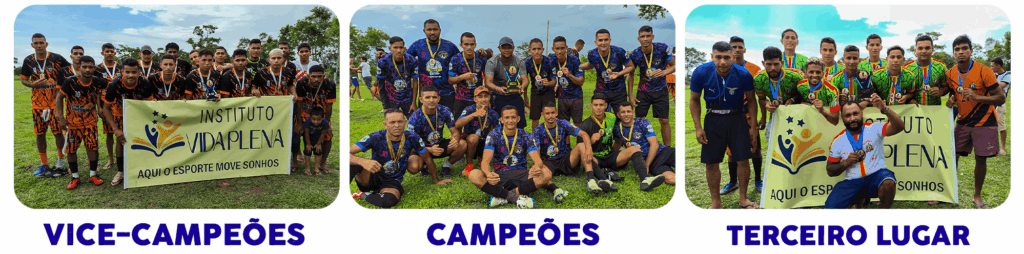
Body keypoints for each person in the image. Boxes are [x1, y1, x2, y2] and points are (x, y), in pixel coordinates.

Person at [928, 35, 1006, 209]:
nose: (960, 52)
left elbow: (1000, 98)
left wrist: (977, 96)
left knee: (980, 159)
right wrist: (947, 97)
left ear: (971, 50)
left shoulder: (983, 70)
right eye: (957, 49)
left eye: (964, 48)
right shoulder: (950, 73)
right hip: (962, 122)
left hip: (985, 121)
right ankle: (946, 191)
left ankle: (977, 196)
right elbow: (951, 92)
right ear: (953, 53)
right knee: (952, 156)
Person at [689, 41, 759, 209]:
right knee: (711, 162)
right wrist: (698, 127)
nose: (722, 62)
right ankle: (716, 203)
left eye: (726, 58)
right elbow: (694, 100)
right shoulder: (701, 72)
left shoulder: (744, 74)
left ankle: (743, 199)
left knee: (743, 160)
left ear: (733, 57)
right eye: (718, 57)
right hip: (713, 119)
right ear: (712, 56)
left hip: (738, 118)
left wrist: (753, 127)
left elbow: (751, 101)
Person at [350, 108, 451, 208]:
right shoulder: (376, 137)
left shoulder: (412, 137)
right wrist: (362, 161)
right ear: (385, 124)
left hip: (392, 181)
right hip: (372, 174)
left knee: (389, 201)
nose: (397, 125)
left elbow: (427, 158)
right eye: (392, 122)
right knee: (352, 163)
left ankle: (362, 195)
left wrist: (436, 180)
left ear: (405, 123)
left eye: (399, 122)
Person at [824, 96, 905, 209]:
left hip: (876, 176)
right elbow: (830, 170)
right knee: (830, 208)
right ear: (842, 118)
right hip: (852, 182)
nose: (852, 118)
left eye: (855, 113)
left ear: (861, 113)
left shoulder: (874, 129)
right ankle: (860, 200)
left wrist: (884, 108)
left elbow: (900, 126)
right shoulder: (838, 141)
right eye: (848, 115)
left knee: (888, 182)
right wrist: (846, 163)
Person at [469, 105, 554, 209]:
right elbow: (486, 161)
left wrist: (537, 167)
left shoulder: (526, 135)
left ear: (518, 119)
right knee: (474, 174)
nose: (510, 120)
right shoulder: (493, 135)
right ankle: (516, 195)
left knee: (546, 173)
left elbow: (537, 160)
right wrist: (488, 174)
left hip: (521, 175)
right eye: (507, 118)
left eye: (513, 117)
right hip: (499, 176)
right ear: (502, 120)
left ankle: (504, 196)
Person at [581, 93, 665, 191]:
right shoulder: (585, 125)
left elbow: (623, 125)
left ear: (606, 106)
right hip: (595, 157)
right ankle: (605, 181)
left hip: (610, 155)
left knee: (633, 149)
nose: (598, 108)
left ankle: (645, 180)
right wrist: (591, 141)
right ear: (591, 106)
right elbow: (581, 148)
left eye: (601, 105)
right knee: (589, 159)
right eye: (595, 105)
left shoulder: (612, 117)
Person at [534, 101, 614, 194]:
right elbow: (536, 150)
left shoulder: (563, 123)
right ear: (542, 115)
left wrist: (588, 149)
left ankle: (591, 181)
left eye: (552, 113)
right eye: (547, 113)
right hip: (549, 161)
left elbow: (583, 134)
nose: (550, 116)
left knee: (581, 145)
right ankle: (556, 190)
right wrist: (538, 164)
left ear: (556, 113)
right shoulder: (538, 130)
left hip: (566, 159)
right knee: (536, 170)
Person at [20, 33, 71, 177]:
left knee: (58, 133)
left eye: (41, 43)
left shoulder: (57, 58)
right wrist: (31, 84)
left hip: (55, 104)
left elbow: (70, 70)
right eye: (35, 43)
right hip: (38, 105)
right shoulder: (28, 60)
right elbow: (23, 79)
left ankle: (60, 160)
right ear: (32, 45)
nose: (38, 45)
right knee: (40, 133)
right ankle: (44, 164)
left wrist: (61, 84)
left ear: (46, 44)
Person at [101, 58, 157, 186]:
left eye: (134, 72)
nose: (131, 75)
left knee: (143, 141)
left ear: (139, 72)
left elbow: (149, 103)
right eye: (127, 72)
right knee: (121, 141)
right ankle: (120, 171)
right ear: (122, 72)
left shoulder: (145, 83)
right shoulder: (114, 85)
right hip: (121, 115)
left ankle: (142, 168)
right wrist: (115, 129)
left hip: (139, 115)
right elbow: (106, 108)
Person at [721, 36, 765, 193]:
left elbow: (759, 95)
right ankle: (733, 181)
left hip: (747, 114)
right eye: (734, 47)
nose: (737, 50)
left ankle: (758, 180)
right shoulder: (723, 67)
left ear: (745, 49)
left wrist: (758, 118)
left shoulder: (753, 69)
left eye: (740, 47)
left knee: (755, 148)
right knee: (731, 152)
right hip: (729, 115)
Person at [56, 56, 107, 189]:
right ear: (80, 67)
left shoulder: (98, 82)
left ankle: (93, 175)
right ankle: (75, 177)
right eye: (84, 67)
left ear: (94, 68)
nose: (87, 69)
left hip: (90, 122)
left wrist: (99, 107)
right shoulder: (70, 81)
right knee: (71, 150)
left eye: (90, 67)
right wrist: (60, 117)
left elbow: (103, 91)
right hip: (73, 123)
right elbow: (59, 98)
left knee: (92, 147)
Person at [628, 25, 676, 146]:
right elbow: (631, 75)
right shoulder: (635, 54)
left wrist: (664, 72)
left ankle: (667, 150)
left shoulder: (662, 48)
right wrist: (630, 95)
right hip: (643, 91)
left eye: (648, 36)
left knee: (664, 121)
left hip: (661, 90)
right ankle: (639, 148)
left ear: (652, 37)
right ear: (638, 39)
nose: (645, 39)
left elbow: (675, 65)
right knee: (639, 121)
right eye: (642, 36)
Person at [407, 85, 466, 177]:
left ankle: (446, 166)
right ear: (421, 99)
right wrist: (429, 149)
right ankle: (424, 166)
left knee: (462, 144)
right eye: (427, 97)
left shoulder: (444, 111)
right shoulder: (414, 117)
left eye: (434, 97)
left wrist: (455, 140)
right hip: (422, 148)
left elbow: (455, 132)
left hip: (439, 144)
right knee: (413, 167)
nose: (431, 100)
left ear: (438, 99)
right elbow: (410, 144)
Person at [614, 103, 675, 188]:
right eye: (623, 112)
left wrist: (646, 166)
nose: (626, 114)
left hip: (663, 152)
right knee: (672, 180)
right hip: (654, 163)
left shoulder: (642, 122)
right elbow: (617, 144)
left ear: (633, 113)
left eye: (629, 111)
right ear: (618, 114)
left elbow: (654, 144)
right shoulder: (617, 128)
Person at [408, 19, 460, 110]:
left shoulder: (449, 46)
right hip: (426, 94)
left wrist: (480, 53)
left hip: (446, 93)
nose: (432, 32)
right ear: (424, 31)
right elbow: (404, 59)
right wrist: (383, 55)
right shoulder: (417, 45)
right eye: (429, 30)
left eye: (435, 29)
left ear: (440, 30)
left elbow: (462, 60)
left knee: (449, 122)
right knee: (427, 122)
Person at [581, 29, 634, 116]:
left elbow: (631, 66)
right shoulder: (592, 54)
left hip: (619, 90)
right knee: (599, 116)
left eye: (606, 39)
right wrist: (576, 67)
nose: (603, 42)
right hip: (601, 90)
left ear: (610, 40)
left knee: (622, 117)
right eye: (600, 40)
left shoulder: (619, 52)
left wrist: (619, 74)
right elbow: (591, 64)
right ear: (596, 42)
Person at [295, 65, 337, 174]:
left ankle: (322, 163)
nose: (316, 79)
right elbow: (298, 104)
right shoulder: (301, 83)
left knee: (328, 137)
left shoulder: (330, 84)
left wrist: (326, 124)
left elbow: (329, 106)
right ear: (308, 76)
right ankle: (295, 160)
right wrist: (299, 123)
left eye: (319, 77)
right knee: (296, 134)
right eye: (313, 76)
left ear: (323, 76)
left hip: (321, 114)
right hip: (305, 113)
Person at [484, 36, 528, 128]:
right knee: (498, 124)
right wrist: (498, 89)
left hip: (515, 94)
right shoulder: (492, 62)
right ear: (499, 48)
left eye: (509, 47)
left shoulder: (519, 62)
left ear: (513, 48)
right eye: (504, 47)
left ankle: (519, 140)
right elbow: (488, 82)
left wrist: (522, 87)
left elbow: (525, 79)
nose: (507, 50)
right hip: (498, 95)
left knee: (519, 123)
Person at [455, 87, 500, 176]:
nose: (483, 99)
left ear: (489, 98)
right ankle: (469, 164)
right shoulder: (469, 109)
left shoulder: (493, 113)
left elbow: (497, 132)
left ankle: (482, 157)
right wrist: (474, 114)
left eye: (486, 96)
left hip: (485, 142)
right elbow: (457, 124)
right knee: (474, 138)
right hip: (470, 141)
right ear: (475, 99)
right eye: (480, 97)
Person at [378, 36, 419, 117]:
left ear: (404, 48)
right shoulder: (383, 61)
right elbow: (381, 84)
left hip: (408, 98)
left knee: (414, 123)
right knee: (393, 124)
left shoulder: (412, 60)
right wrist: (385, 106)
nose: (399, 50)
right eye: (395, 47)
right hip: (391, 99)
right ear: (390, 48)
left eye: (401, 47)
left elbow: (415, 82)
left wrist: (414, 103)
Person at [549, 36, 586, 125]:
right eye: (557, 48)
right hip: (562, 98)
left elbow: (581, 81)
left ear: (566, 48)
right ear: (553, 49)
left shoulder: (574, 60)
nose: (560, 51)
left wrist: (569, 75)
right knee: (564, 127)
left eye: (562, 48)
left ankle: (579, 139)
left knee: (578, 125)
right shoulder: (551, 60)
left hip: (576, 97)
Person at [448, 32, 485, 117]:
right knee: (458, 124)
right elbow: (450, 80)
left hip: (477, 98)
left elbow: (487, 76)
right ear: (461, 45)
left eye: (472, 44)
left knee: (479, 124)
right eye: (466, 44)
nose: (469, 47)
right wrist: (462, 77)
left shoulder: (481, 57)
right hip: (461, 98)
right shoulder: (455, 59)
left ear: (475, 45)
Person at [904, 35, 948, 106]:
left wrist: (941, 92)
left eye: (927, 48)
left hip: (934, 111)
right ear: (915, 50)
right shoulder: (907, 68)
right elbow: (901, 90)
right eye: (920, 48)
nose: (924, 51)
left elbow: (947, 86)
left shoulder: (941, 67)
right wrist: (908, 100)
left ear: (932, 50)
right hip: (913, 112)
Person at [797, 58, 841, 125]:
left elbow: (835, 120)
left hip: (825, 127)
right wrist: (800, 103)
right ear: (805, 73)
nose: (814, 75)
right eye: (811, 72)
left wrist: (822, 110)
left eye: (818, 72)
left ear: (823, 74)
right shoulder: (800, 86)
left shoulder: (833, 91)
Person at [524, 38, 555, 129]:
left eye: (539, 49)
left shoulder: (549, 61)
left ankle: (552, 136)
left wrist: (548, 83)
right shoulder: (527, 63)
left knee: (551, 117)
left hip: (548, 93)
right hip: (535, 94)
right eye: (534, 49)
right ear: (530, 50)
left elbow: (554, 81)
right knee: (535, 118)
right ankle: (535, 140)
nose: (537, 51)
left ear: (543, 49)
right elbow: (525, 81)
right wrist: (525, 97)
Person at [303, 107, 332, 175]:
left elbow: (323, 134)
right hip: (309, 139)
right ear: (310, 118)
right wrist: (308, 144)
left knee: (318, 151)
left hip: (318, 140)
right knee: (308, 151)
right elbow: (306, 134)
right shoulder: (307, 122)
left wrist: (319, 144)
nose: (316, 122)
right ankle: (307, 169)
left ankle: (316, 169)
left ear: (322, 118)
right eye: (314, 119)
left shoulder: (325, 123)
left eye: (319, 119)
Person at [991, 57, 1010, 155]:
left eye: (992, 66)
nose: (991, 68)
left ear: (998, 66)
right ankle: (992, 146)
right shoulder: (995, 75)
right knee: (990, 125)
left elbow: (999, 87)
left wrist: (991, 85)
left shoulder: (1008, 75)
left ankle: (1002, 148)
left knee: (1001, 126)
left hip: (1000, 105)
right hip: (991, 103)